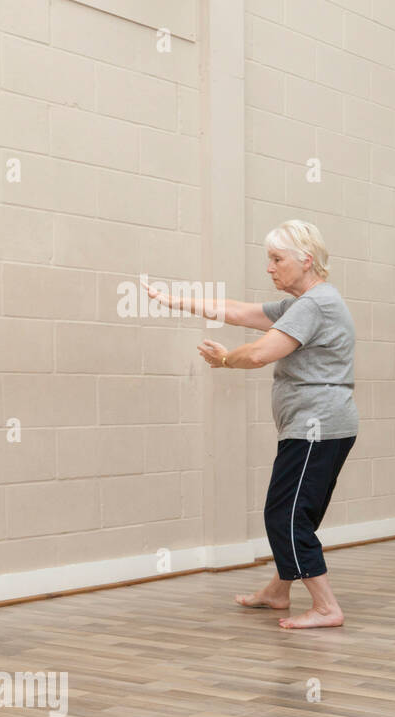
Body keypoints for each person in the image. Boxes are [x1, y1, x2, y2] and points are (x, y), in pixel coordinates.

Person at [145, 219, 358, 629]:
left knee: (285, 515)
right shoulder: (305, 303)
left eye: (277, 259)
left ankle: (326, 607)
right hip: (323, 425)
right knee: (297, 512)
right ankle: (279, 590)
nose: (270, 268)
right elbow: (238, 312)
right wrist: (175, 300)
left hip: (316, 427)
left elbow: (261, 353)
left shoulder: (315, 305)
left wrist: (225, 360)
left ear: (305, 260)